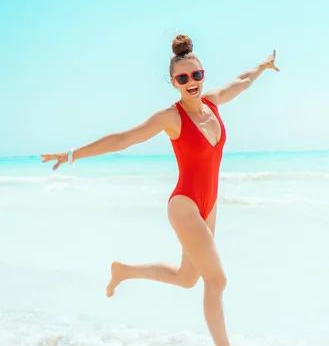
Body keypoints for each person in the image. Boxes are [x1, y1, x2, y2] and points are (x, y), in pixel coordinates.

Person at [40, 34, 280, 346]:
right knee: (217, 280)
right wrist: (71, 154)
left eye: (196, 74)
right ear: (173, 83)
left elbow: (243, 80)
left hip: (210, 204)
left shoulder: (213, 102)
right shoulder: (171, 117)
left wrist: (262, 66)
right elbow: (124, 139)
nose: (191, 81)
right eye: (183, 78)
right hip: (185, 205)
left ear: (203, 74)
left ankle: (124, 271)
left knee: (187, 277)